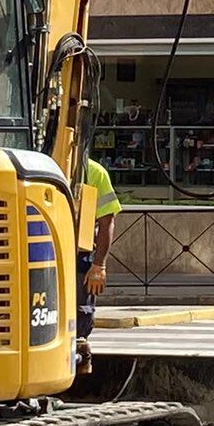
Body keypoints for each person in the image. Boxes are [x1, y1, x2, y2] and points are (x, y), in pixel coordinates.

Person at [75, 156, 123, 374]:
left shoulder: (95, 173)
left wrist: (99, 265)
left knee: (80, 313)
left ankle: (80, 356)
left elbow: (107, 221)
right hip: (46, 252)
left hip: (79, 255)